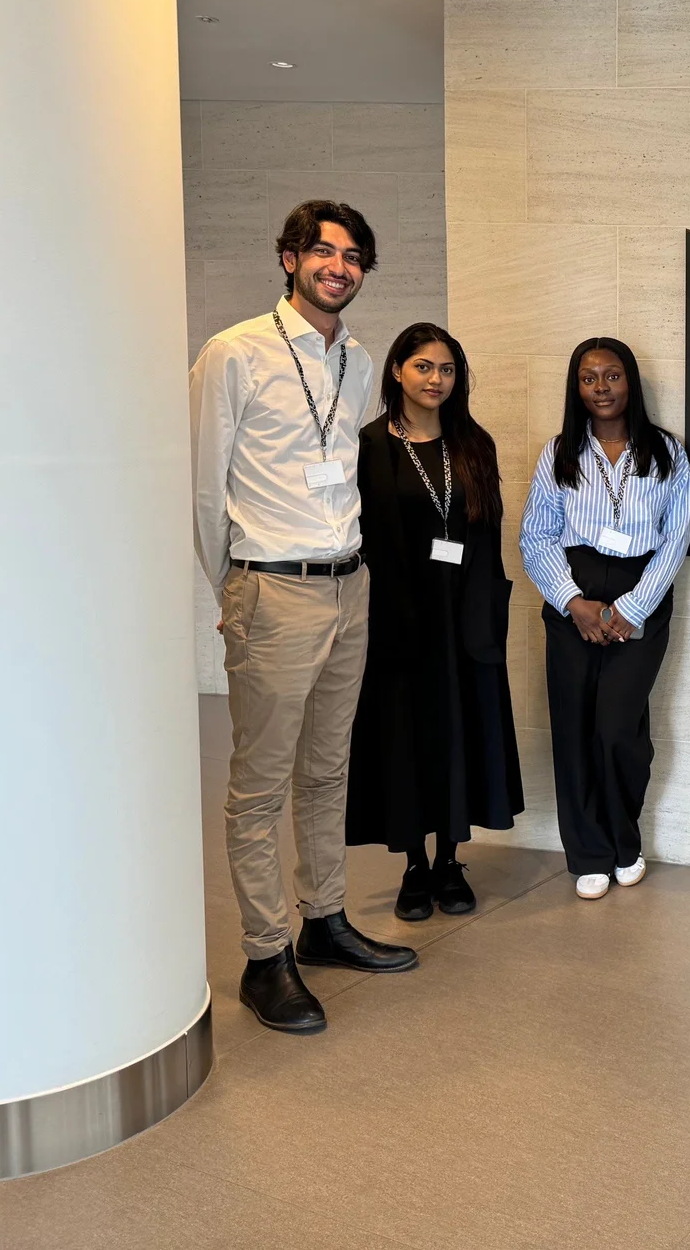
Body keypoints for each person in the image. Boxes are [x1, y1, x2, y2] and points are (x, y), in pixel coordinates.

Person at [190, 200, 419, 1038]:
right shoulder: (236, 352)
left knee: (326, 772)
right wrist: (236, 586)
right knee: (258, 785)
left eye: (355, 255)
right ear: (288, 258)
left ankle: (324, 921)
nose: (340, 266)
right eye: (324, 251)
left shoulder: (357, 362)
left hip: (346, 584)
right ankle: (264, 956)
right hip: (272, 587)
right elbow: (203, 487)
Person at [346, 324, 523, 921]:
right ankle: (415, 866)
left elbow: (488, 535)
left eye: (447, 369)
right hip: (400, 618)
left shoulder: (474, 444)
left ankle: (451, 859)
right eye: (423, 366)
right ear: (397, 370)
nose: (436, 380)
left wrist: (487, 612)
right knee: (408, 738)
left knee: (461, 734)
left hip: (465, 617)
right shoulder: (371, 445)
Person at [521, 337, 690, 901]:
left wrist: (633, 608)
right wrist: (574, 602)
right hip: (572, 591)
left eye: (612, 376)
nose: (601, 388)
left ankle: (625, 839)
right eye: (589, 378)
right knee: (573, 728)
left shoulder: (667, 453)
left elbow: (675, 539)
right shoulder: (559, 453)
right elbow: (535, 536)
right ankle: (590, 852)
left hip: (641, 590)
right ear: (577, 388)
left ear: (630, 381)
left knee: (619, 728)